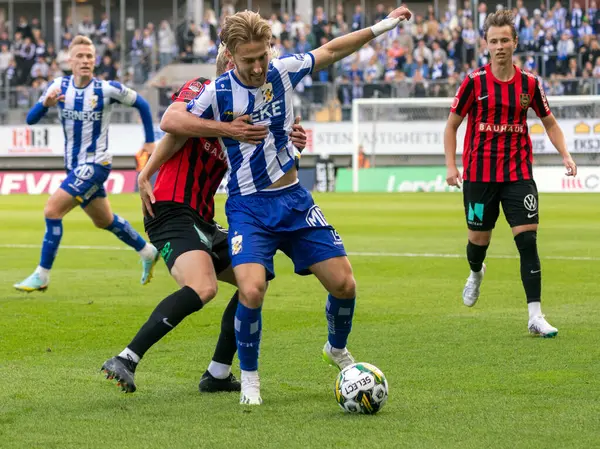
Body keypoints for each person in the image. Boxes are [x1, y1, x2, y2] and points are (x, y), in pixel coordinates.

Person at [161, 8, 412, 405]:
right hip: (248, 208)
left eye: (263, 56)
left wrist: (383, 26)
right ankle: (249, 378)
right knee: (252, 288)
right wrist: (227, 130)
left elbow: (331, 50)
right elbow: (170, 120)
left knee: (345, 284)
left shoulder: (282, 70)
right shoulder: (218, 92)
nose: (259, 66)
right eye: (249, 60)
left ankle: (335, 348)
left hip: (294, 200)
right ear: (230, 54)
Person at [101, 47, 308, 393]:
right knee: (203, 287)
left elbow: (275, 166)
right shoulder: (202, 89)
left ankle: (217, 373)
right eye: (241, 60)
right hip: (168, 209)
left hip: (203, 220)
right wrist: (146, 173)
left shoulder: (249, 117)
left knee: (253, 280)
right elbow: (172, 123)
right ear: (229, 62)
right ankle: (126, 358)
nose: (254, 68)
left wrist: (294, 144)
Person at [444, 11, 578, 337]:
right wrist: (451, 165)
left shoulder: (530, 83)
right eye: (494, 41)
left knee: (528, 240)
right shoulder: (474, 82)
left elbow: (550, 122)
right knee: (478, 241)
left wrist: (565, 153)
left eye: (505, 40)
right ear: (486, 45)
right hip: (479, 175)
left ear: (515, 42)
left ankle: (535, 315)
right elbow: (451, 126)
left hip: (518, 173)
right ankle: (476, 272)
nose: (500, 46)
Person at [14, 35, 159, 293]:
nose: (85, 61)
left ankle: (42, 274)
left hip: (97, 163)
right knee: (104, 220)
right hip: (74, 165)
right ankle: (147, 251)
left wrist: (149, 142)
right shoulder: (58, 86)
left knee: (52, 210)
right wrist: (45, 105)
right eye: (79, 56)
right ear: (69, 60)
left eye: (89, 56)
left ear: (94, 61)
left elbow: (143, 104)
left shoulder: (106, 89)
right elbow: (30, 119)